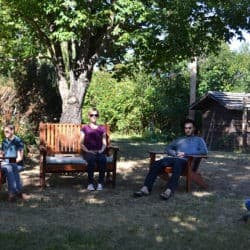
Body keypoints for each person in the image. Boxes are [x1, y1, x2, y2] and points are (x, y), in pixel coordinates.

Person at [134, 118, 208, 201]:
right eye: (186, 128)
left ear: (194, 128)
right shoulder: (180, 139)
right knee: (157, 163)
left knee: (177, 163)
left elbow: (204, 151)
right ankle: (146, 188)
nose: (187, 130)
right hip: (174, 159)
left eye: (189, 128)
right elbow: (168, 148)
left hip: (187, 162)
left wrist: (186, 153)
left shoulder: (199, 140)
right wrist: (176, 153)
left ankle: (169, 190)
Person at [80, 108, 107, 191]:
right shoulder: (85, 128)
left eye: (96, 115)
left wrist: (102, 150)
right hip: (88, 152)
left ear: (98, 116)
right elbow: (81, 143)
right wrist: (88, 151)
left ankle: (100, 183)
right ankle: (90, 183)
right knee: (91, 160)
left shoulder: (102, 128)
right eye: (92, 115)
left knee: (103, 160)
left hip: (99, 151)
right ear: (89, 116)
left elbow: (104, 142)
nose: (94, 116)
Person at [0, 124, 27, 201]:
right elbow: (1, 154)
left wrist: (8, 162)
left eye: (7, 132)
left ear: (12, 131)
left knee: (11, 167)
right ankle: (17, 192)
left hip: (16, 163)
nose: (5, 133)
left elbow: (19, 158)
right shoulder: (4, 141)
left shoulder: (18, 141)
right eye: (4, 132)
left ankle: (12, 193)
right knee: (10, 167)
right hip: (5, 163)